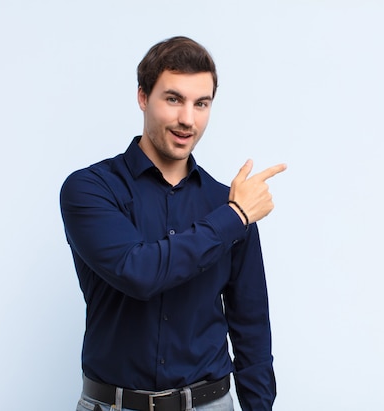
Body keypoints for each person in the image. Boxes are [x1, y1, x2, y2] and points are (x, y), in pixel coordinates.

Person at [60, 36, 286, 411]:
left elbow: (251, 325)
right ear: (143, 97)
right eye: (173, 99)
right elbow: (139, 272)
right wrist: (235, 218)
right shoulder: (90, 188)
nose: (188, 119)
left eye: (202, 104)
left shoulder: (225, 202)